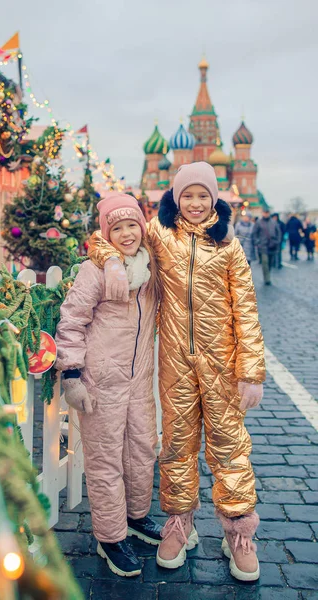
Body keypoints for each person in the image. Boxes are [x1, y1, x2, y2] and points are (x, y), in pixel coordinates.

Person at [88, 162, 265, 582]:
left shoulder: (229, 246)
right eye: (189, 196)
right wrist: (110, 260)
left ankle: (238, 532)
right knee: (178, 446)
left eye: (203, 196)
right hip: (176, 364)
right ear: (176, 198)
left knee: (229, 446)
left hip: (222, 364)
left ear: (215, 199)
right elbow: (113, 234)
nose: (196, 203)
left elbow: (247, 309)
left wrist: (251, 372)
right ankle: (180, 522)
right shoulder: (160, 236)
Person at [55, 194, 162, 578]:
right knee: (105, 461)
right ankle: (111, 537)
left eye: (132, 225)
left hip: (138, 382)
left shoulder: (150, 270)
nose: (127, 233)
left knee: (141, 452)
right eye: (116, 228)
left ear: (142, 227)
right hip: (102, 382)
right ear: (106, 234)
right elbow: (71, 322)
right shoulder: (95, 270)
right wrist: (71, 374)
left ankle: (136, 517)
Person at [252, 209, 281, 285]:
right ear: (262, 213)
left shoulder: (274, 222)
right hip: (263, 246)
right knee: (265, 262)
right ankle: (267, 278)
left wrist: (277, 241)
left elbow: (278, 232)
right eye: (265, 212)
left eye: (267, 213)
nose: (266, 214)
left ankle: (268, 274)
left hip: (272, 246)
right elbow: (255, 233)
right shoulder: (259, 222)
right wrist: (257, 242)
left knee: (270, 263)